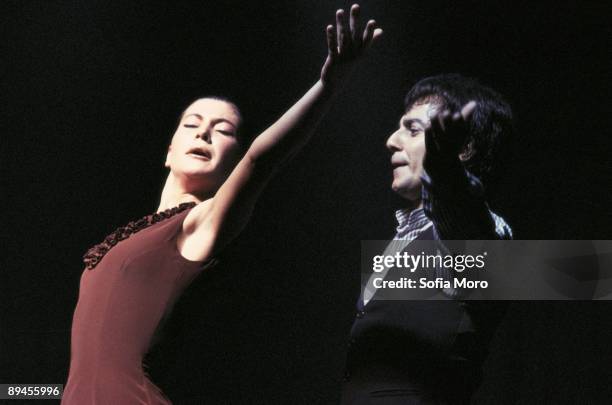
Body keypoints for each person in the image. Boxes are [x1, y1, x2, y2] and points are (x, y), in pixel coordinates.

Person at [62, 5, 382, 404]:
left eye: (223, 130)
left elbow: (261, 159)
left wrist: (327, 87)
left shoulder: (197, 225)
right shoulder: (134, 233)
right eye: (192, 124)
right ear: (169, 149)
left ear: (233, 159)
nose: (205, 134)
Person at [341, 74, 514, 404]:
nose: (392, 140)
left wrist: (444, 170)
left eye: (413, 129)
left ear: (463, 148)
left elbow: (463, 218)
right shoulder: (402, 237)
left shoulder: (487, 232)